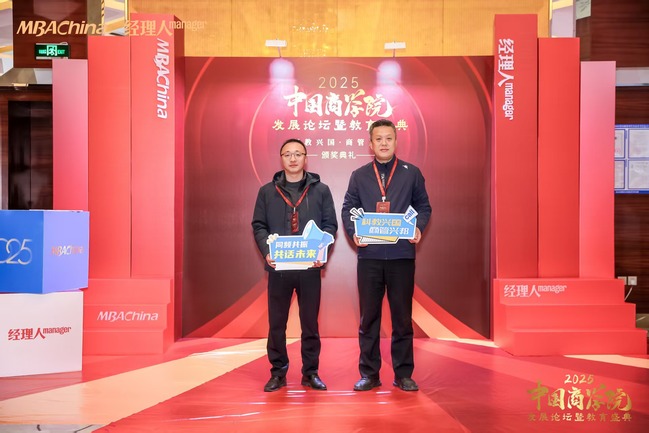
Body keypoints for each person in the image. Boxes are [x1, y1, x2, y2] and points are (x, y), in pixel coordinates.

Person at [341, 119, 432, 392]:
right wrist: (353, 232)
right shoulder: (359, 175)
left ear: (396, 141)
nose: (383, 143)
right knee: (369, 318)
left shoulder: (411, 173)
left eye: (388, 138)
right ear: (370, 144)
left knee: (402, 318)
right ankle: (369, 374)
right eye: (378, 139)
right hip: (369, 256)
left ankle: (403, 374)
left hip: (401, 255)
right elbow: (348, 208)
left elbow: (424, 206)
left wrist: (418, 227)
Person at [252, 138, 338, 392]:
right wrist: (267, 251)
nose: (293, 158)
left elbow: (330, 225)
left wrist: (322, 251)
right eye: (287, 154)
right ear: (281, 159)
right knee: (277, 323)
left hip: (309, 267)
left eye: (298, 154)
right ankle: (278, 372)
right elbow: (259, 225)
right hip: (279, 268)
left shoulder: (321, 190)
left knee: (310, 323)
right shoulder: (267, 191)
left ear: (305, 158)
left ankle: (310, 372)